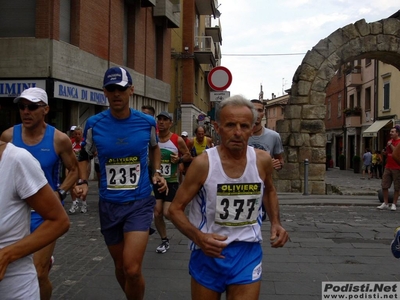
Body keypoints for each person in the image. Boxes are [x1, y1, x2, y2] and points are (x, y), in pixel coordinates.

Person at [168, 95, 289, 300]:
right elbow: (174, 209)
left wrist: (276, 222)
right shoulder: (203, 164)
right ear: (217, 127)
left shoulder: (262, 160)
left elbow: (269, 190)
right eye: (230, 125)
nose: (238, 132)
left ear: (252, 128)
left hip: (247, 252)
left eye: (244, 125)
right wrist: (199, 237)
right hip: (208, 252)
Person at [75, 66, 167, 300]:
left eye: (121, 89)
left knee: (132, 269)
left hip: (139, 202)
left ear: (131, 90)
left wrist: (156, 172)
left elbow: (155, 147)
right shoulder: (94, 124)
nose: (117, 93)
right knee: (120, 267)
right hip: (109, 204)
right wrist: (83, 181)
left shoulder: (146, 122)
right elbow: (84, 156)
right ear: (104, 92)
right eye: (111, 89)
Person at [1, 87, 79, 300]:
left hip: (44, 215)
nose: (26, 111)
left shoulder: (59, 139)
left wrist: (61, 192)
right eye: (22, 107)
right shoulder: (8, 136)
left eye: (32, 107)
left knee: (38, 272)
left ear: (45, 109)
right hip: (16, 215)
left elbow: (74, 169)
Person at [0, 142, 70, 299]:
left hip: (13, 288)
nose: (27, 114)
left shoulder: (16, 159)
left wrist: (6, 255)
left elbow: (59, 221)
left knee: (40, 272)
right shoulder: (10, 134)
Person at [154, 111, 191, 254]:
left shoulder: (177, 140)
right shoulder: (154, 138)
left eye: (165, 120)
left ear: (170, 123)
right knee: (157, 213)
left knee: (167, 212)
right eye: (159, 119)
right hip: (157, 180)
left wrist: (179, 160)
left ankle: (189, 229)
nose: (161, 122)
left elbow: (188, 155)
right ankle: (164, 240)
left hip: (171, 181)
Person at [248, 99, 284, 171]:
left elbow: (280, 160)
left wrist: (278, 164)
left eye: (260, 110)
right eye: (253, 110)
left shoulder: (274, 136)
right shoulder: (239, 135)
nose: (257, 113)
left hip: (265, 180)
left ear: (263, 114)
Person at [377, 126, 400, 211]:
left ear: (397, 133)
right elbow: (388, 153)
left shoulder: (399, 142)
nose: (390, 133)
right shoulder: (389, 142)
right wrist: (384, 152)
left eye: (392, 132)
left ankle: (394, 204)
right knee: (384, 185)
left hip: (397, 167)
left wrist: (391, 146)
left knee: (397, 187)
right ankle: (385, 203)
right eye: (390, 131)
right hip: (388, 166)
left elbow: (396, 153)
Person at [68, 126, 88, 214]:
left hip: (82, 168)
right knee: (72, 185)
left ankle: (84, 203)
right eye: (75, 134)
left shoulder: (84, 143)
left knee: (82, 184)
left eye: (79, 134)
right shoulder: (70, 142)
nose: (77, 136)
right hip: (73, 167)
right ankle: (74, 202)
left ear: (82, 135)